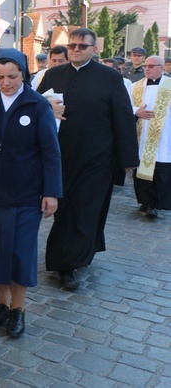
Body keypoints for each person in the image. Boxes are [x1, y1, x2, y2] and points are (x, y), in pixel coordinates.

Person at [0, 49, 61, 338]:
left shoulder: (37, 104)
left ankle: (19, 309)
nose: (6, 83)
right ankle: (2, 303)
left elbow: (50, 152)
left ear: (24, 74)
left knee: (19, 253)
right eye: (0, 77)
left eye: (12, 77)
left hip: (26, 195)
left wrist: (51, 192)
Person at [37, 28, 139, 290]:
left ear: (95, 49)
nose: (77, 49)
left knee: (83, 208)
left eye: (83, 45)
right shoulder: (53, 74)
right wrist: (47, 107)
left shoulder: (110, 77)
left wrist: (128, 157)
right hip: (60, 156)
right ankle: (81, 250)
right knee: (64, 208)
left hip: (97, 157)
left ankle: (66, 264)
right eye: (72, 45)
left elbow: (123, 116)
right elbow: (33, 105)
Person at [130, 56, 171, 219]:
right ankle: (145, 202)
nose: (147, 69)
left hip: (164, 137)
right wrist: (136, 111)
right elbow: (124, 105)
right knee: (141, 170)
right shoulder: (135, 87)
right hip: (142, 136)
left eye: (152, 66)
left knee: (161, 170)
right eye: (146, 66)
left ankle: (157, 203)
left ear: (162, 68)